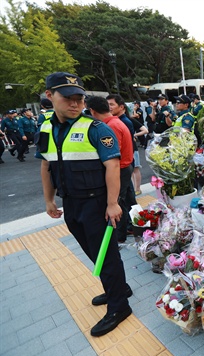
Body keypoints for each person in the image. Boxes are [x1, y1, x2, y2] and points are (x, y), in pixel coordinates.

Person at [36, 71, 132, 337]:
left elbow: (112, 166)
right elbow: (46, 166)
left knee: (107, 256)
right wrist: (48, 200)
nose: (75, 104)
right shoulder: (46, 128)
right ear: (49, 96)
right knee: (93, 253)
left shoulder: (95, 128)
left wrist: (112, 203)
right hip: (72, 204)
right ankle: (119, 288)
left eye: (79, 98)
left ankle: (119, 306)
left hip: (98, 204)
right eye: (68, 98)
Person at [86, 96, 134, 244]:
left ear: (92, 111)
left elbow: (113, 156)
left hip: (120, 169)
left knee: (116, 202)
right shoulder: (115, 122)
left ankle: (119, 235)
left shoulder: (109, 126)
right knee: (124, 200)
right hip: (125, 167)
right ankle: (128, 228)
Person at [106, 94, 139, 233]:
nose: (109, 107)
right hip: (127, 163)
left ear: (121, 107)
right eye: (107, 104)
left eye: (112, 104)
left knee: (121, 200)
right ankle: (135, 223)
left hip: (123, 165)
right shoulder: (120, 121)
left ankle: (123, 230)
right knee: (130, 197)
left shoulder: (119, 123)